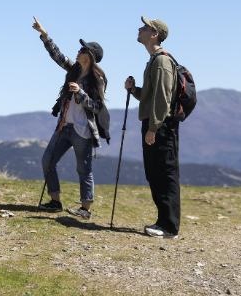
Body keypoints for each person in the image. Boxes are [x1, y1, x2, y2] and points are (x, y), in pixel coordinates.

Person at [32, 16, 107, 219]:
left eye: (83, 50)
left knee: (84, 170)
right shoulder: (74, 69)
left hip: (82, 130)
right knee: (47, 161)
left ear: (90, 56)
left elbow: (97, 107)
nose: (79, 51)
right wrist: (44, 35)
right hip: (64, 126)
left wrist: (80, 93)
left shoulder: (97, 79)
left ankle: (85, 210)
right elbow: (58, 56)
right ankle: (55, 202)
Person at [124, 16, 180, 239]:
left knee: (164, 174)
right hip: (155, 124)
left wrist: (154, 128)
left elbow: (163, 98)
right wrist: (135, 90)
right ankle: (163, 222)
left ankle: (169, 227)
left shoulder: (162, 61)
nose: (140, 29)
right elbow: (151, 97)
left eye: (145, 27)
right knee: (155, 174)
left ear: (154, 34)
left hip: (161, 126)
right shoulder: (153, 60)